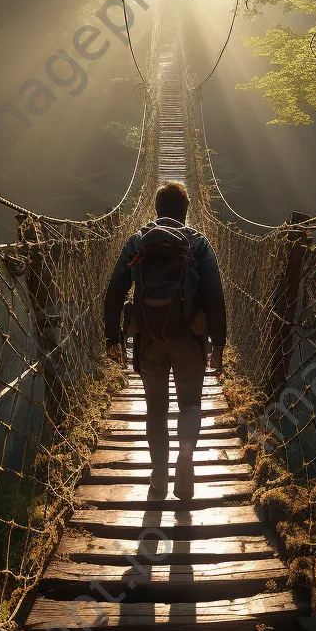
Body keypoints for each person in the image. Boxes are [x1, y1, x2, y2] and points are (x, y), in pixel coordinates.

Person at [104, 182, 226, 500]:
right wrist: (219, 345)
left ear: (156, 209)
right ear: (186, 212)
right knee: (190, 405)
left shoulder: (138, 240)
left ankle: (159, 476)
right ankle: (185, 456)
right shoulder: (198, 242)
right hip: (189, 341)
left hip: (148, 340)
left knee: (155, 409)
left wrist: (112, 336)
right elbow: (214, 295)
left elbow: (116, 288)